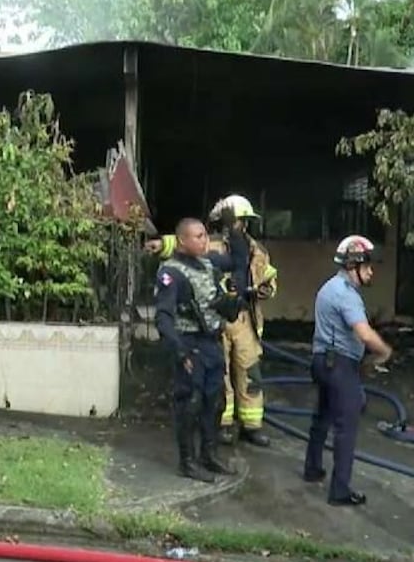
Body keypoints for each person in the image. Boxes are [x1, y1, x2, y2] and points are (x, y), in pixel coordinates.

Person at [146, 194, 278, 448]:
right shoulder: (211, 246)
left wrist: (268, 290)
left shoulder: (258, 251)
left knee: (250, 372)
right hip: (215, 319)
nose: (241, 226)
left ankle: (252, 425)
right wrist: (162, 244)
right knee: (222, 375)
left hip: (245, 320)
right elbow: (185, 244)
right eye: (238, 221)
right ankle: (223, 425)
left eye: (243, 221)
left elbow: (269, 277)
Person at [153, 214, 252, 483]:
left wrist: (235, 231)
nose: (205, 240)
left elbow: (240, 261)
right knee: (190, 404)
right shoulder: (170, 272)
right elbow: (163, 317)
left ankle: (209, 455)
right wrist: (179, 351)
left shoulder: (208, 263)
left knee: (215, 401)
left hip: (211, 342)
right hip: (189, 344)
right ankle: (188, 462)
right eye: (198, 236)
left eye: (206, 235)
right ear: (182, 241)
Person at [303, 234, 393, 506]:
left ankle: (313, 468)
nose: (371, 271)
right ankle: (339, 490)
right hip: (339, 364)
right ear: (354, 265)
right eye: (367, 266)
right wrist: (385, 351)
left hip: (323, 360)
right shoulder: (346, 294)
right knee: (347, 427)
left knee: (323, 417)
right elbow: (364, 333)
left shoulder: (330, 287)